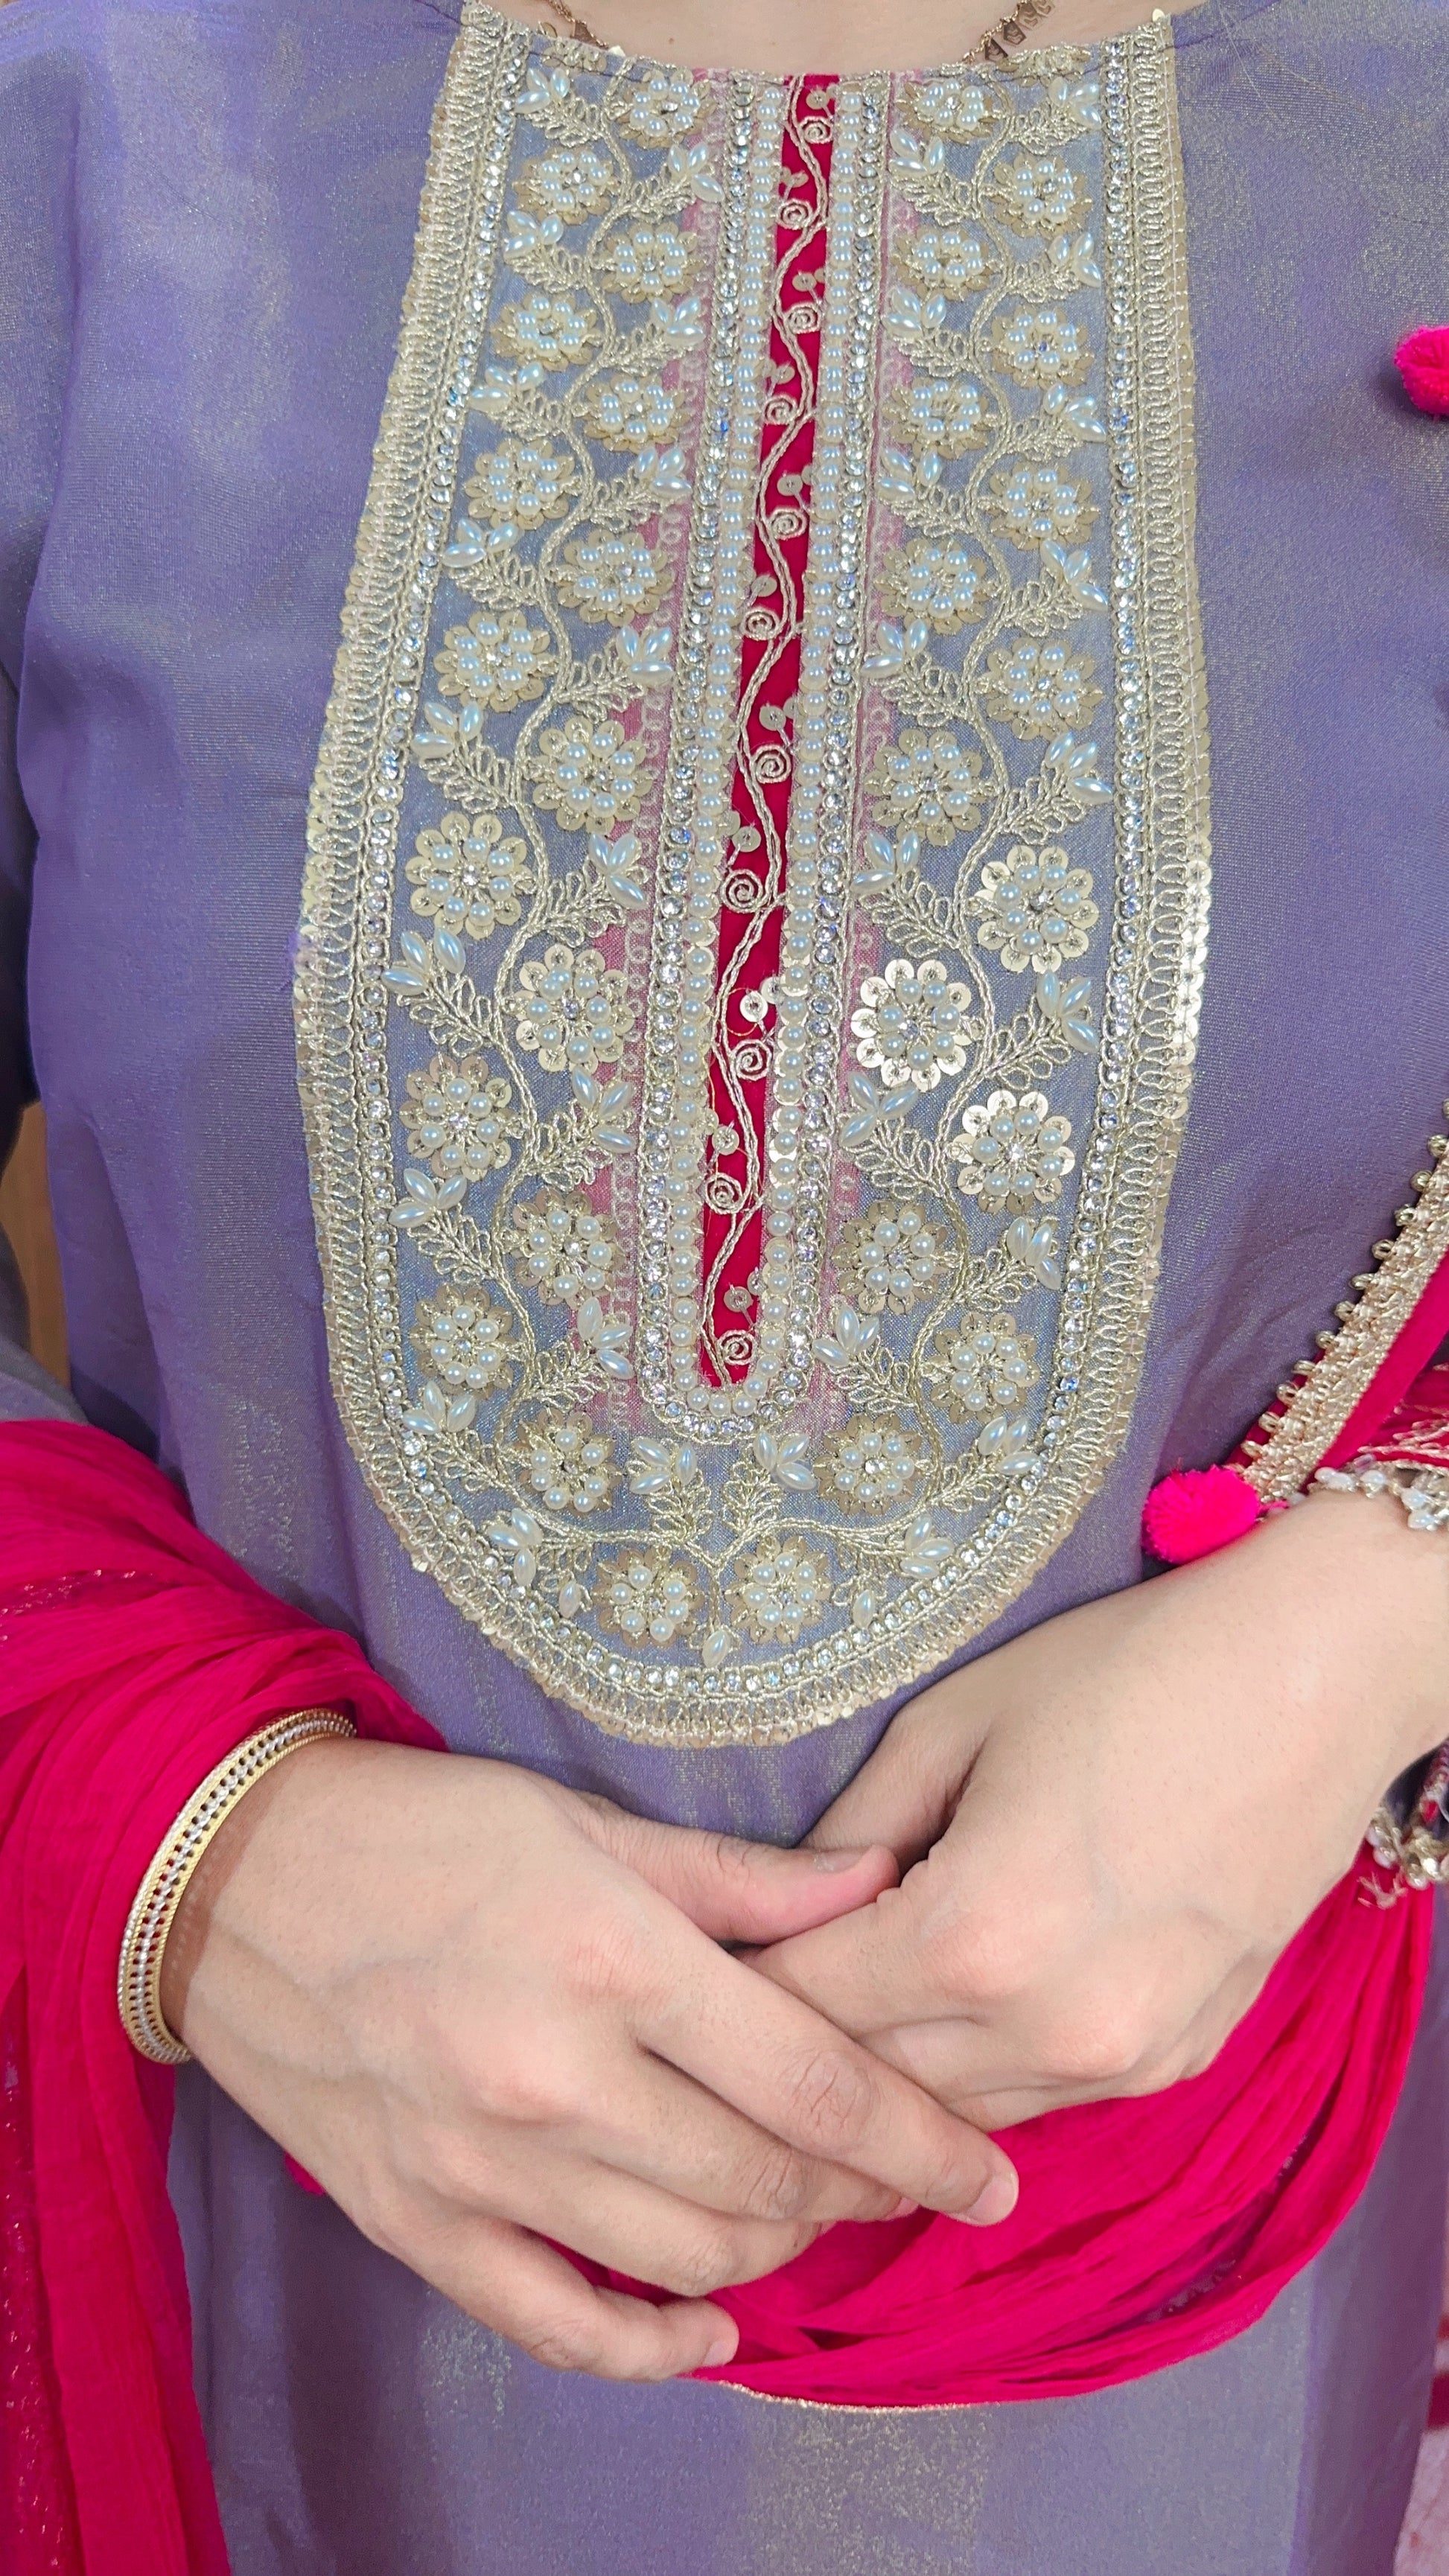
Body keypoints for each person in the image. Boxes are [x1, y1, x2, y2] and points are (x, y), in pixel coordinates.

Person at [1, 0, 1447, 2563]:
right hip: (243, 2276)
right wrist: (207, 1846)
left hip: (1230, 2324)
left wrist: (1380, 1621)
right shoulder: (97, 124)